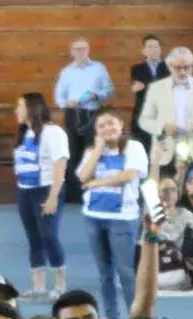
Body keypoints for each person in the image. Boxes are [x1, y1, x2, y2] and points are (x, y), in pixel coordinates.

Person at [76, 108, 146, 319]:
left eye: (111, 123)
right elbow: (82, 177)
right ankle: (111, 318)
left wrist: (96, 183)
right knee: (105, 273)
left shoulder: (134, 147)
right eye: (101, 125)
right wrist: (98, 149)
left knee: (125, 272)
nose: (107, 128)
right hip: (93, 217)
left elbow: (129, 174)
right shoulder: (92, 152)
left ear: (121, 125)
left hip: (122, 219)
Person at [13, 93, 70, 300]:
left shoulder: (53, 132)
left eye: (19, 106)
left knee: (49, 235)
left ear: (31, 108)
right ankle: (38, 287)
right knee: (34, 238)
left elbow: (60, 164)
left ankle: (60, 283)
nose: (15, 111)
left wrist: (53, 195)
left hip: (46, 189)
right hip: (25, 191)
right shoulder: (24, 133)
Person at [54, 38, 115, 205]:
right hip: (73, 114)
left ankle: (92, 189)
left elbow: (110, 90)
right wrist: (66, 103)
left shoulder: (99, 69)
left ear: (88, 50)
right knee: (73, 152)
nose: (80, 52)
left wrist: (97, 95)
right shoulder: (66, 72)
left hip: (93, 113)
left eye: (83, 49)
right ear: (72, 52)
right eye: (77, 49)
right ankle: (74, 194)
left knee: (93, 151)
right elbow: (59, 97)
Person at [137, 47, 193, 167]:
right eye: (178, 68)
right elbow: (144, 120)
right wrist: (163, 127)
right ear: (169, 67)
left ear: (192, 66)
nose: (182, 72)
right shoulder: (156, 88)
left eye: (187, 67)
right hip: (164, 154)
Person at [128, 34, 166, 154]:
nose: (153, 50)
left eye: (155, 46)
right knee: (143, 150)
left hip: (164, 115)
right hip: (142, 114)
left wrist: (145, 86)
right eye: (149, 47)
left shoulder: (170, 68)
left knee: (163, 152)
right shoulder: (136, 69)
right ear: (143, 50)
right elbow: (138, 88)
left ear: (160, 49)